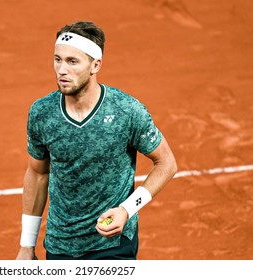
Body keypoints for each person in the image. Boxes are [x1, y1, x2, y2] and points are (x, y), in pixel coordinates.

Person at [16, 21, 177, 260]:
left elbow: (167, 163)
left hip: (112, 244)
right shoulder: (42, 112)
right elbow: (38, 174)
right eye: (57, 59)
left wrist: (127, 210)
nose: (61, 70)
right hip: (60, 245)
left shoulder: (126, 111)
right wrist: (26, 245)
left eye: (72, 61)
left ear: (95, 65)